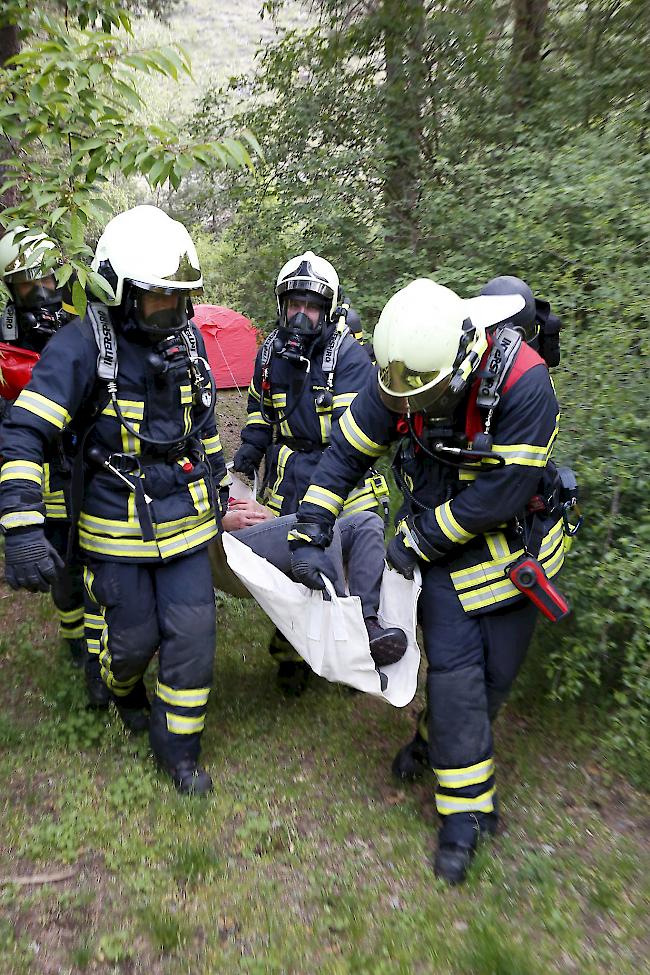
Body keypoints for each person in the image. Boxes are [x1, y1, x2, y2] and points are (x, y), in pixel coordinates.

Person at [287, 278, 569, 883]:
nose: (410, 414)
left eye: (424, 402)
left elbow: (502, 493)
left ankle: (431, 741)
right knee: (458, 675)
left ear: (464, 363)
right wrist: (311, 526)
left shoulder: (524, 382)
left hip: (514, 548)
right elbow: (345, 454)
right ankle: (465, 816)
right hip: (444, 558)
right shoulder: (401, 377)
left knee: (493, 682)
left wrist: (415, 540)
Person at [0, 205, 228, 795]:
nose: (173, 314)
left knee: (193, 636)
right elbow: (25, 431)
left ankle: (178, 751)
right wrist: (23, 526)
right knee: (129, 642)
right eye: (159, 300)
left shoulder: (188, 336)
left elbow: (200, 422)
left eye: (180, 300)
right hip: (115, 523)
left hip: (185, 519)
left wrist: (219, 482)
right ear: (120, 293)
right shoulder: (81, 345)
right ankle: (123, 686)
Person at [233, 251, 397, 694]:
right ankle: (291, 655)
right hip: (289, 470)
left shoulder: (349, 358)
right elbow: (259, 411)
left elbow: (352, 443)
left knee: (353, 550)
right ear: (282, 305)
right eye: (294, 304)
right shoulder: (269, 355)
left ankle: (361, 644)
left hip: (344, 472)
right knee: (293, 566)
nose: (301, 314)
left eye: (311, 306)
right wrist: (249, 453)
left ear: (328, 309)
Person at [0, 228, 104, 700]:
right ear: (10, 289)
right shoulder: (3, 339)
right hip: (32, 466)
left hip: (80, 459)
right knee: (61, 563)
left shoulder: (78, 328)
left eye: (46, 278)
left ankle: (100, 646)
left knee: (94, 556)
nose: (40, 291)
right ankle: (72, 633)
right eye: (26, 283)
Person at [220, 496, 404, 674]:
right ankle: (341, 630)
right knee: (315, 526)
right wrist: (222, 520)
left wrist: (266, 515)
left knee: (367, 522)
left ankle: (368, 623)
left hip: (249, 521)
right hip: (219, 540)